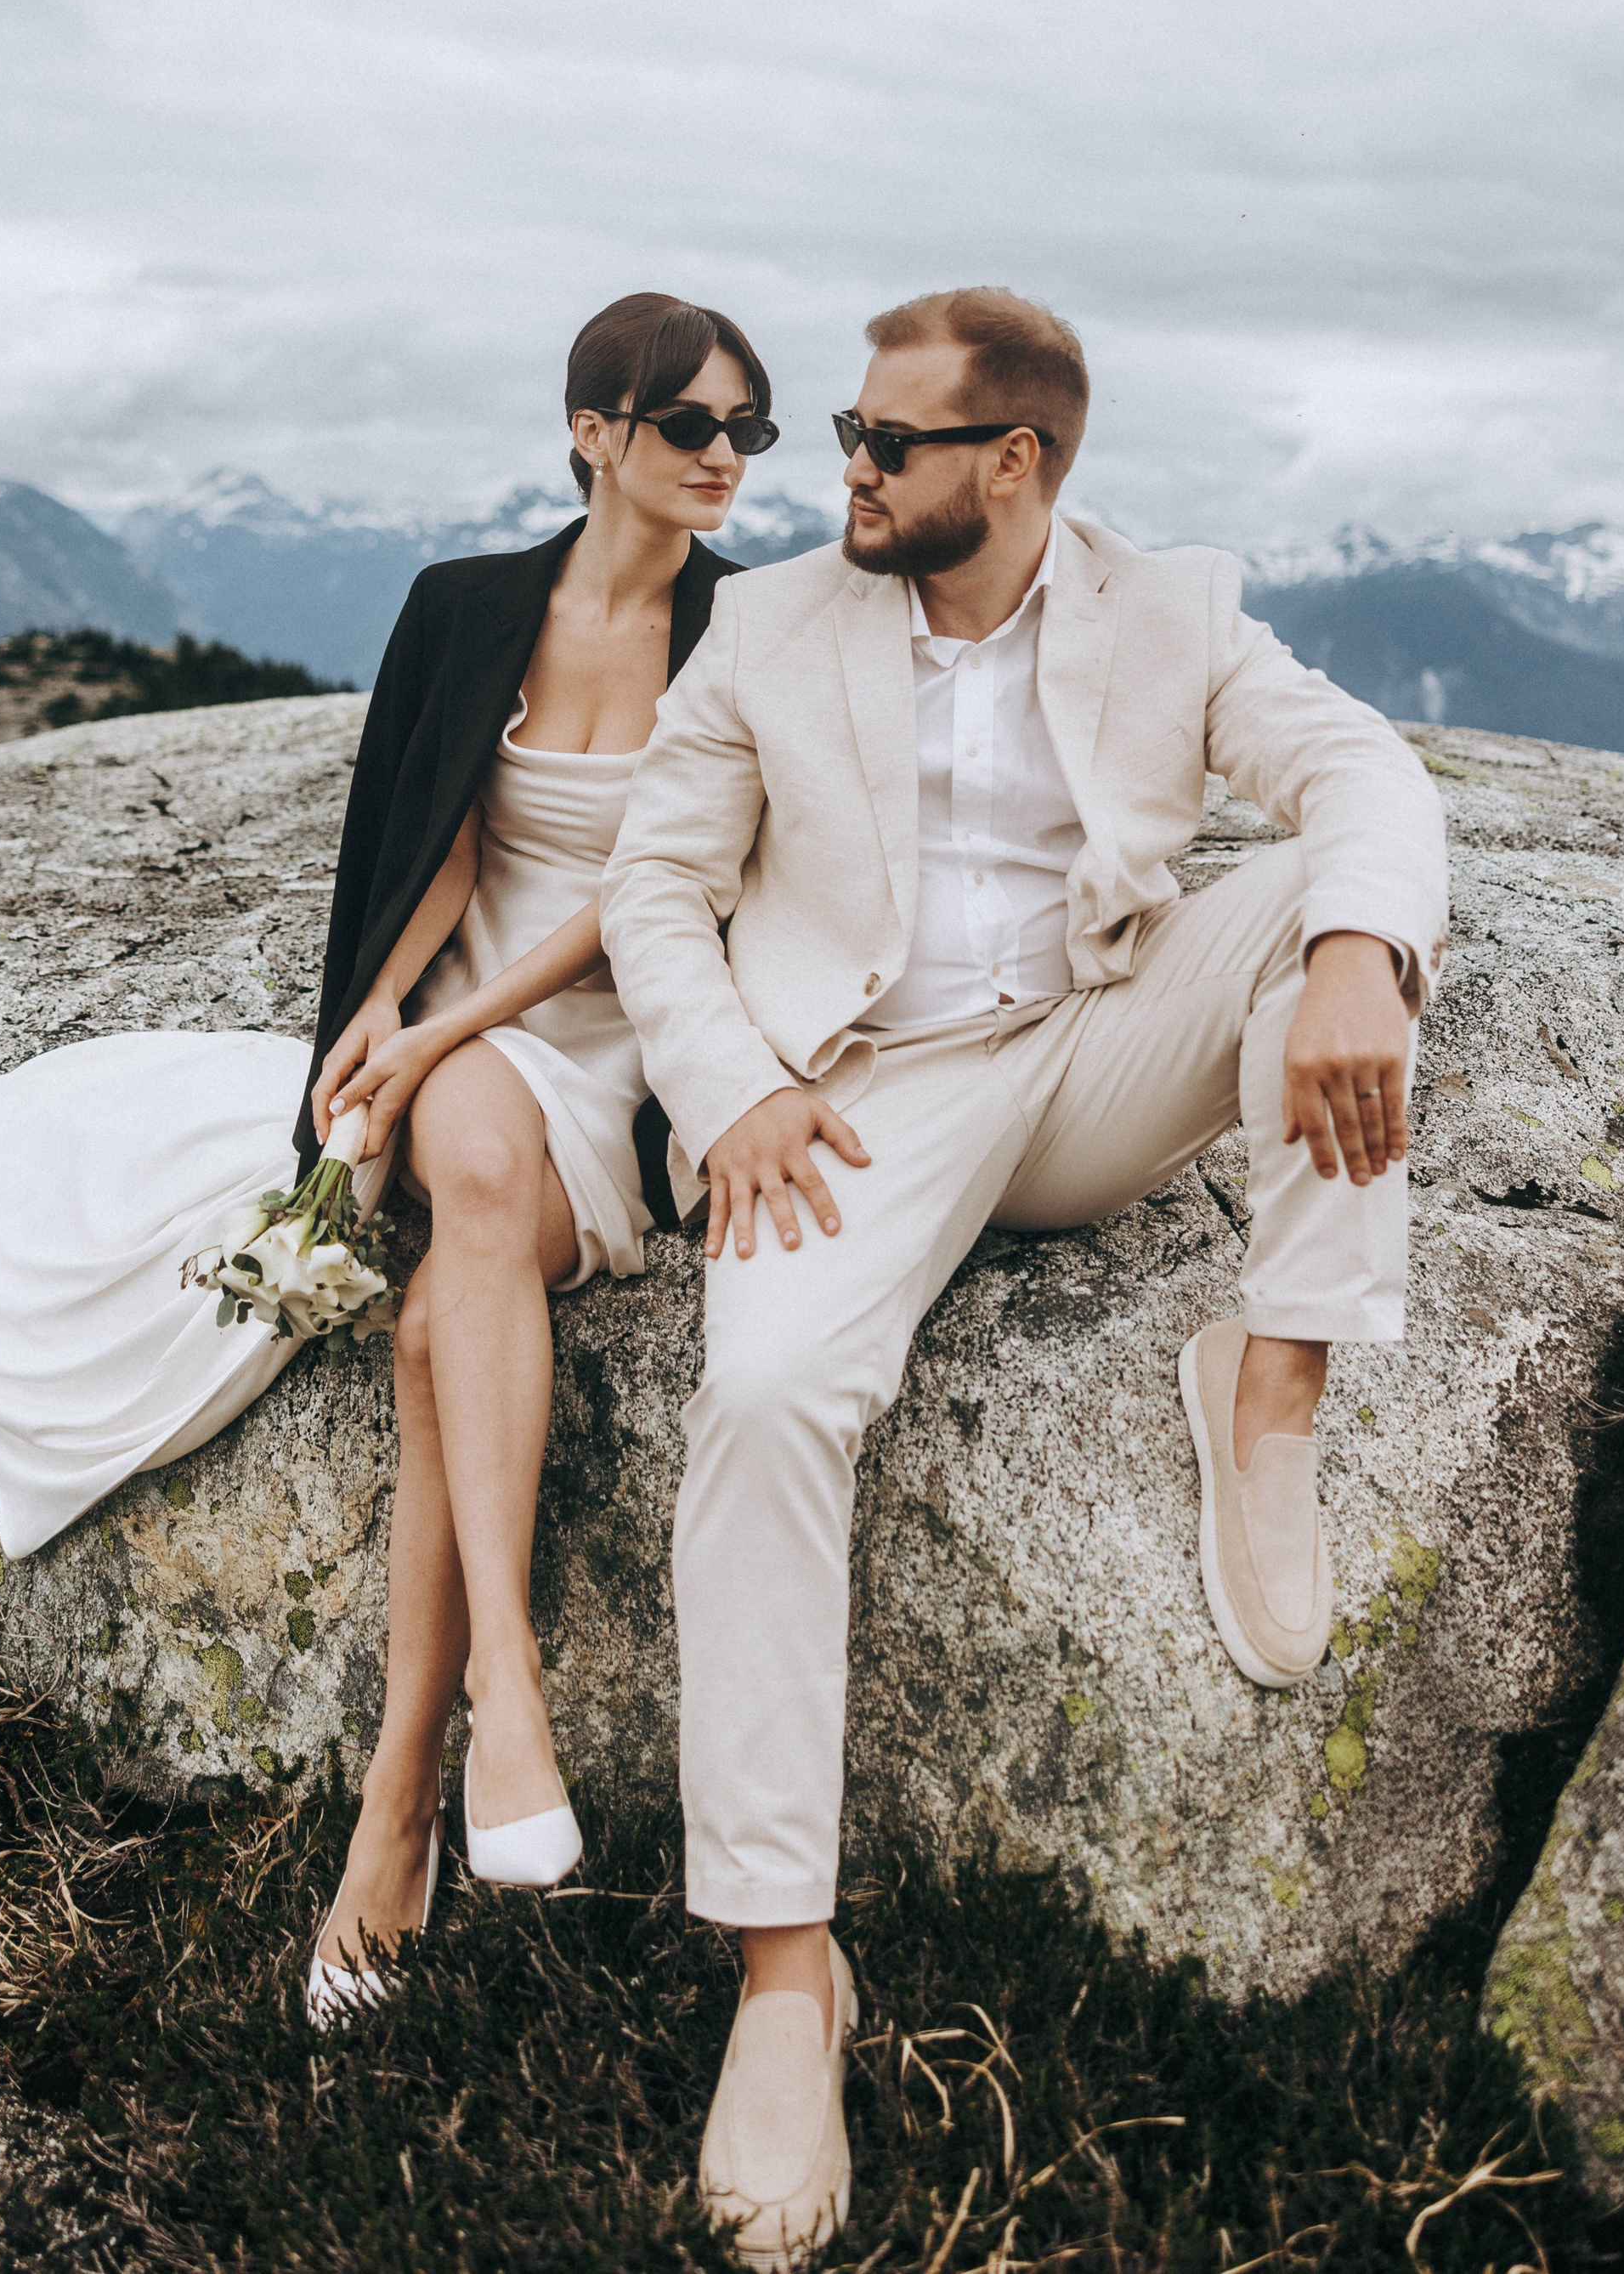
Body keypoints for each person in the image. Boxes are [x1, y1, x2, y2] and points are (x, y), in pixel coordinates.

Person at [599, 286, 1450, 2266]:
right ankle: (785, 1975)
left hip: (1085, 1045)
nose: (842, 470)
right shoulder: (773, 619)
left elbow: (1364, 776)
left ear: (1015, 462)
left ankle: (1272, 1382)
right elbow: (653, 877)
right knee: (763, 1398)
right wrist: (725, 1085)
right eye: (844, 433)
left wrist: (1346, 952)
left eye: (884, 443)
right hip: (861, 1090)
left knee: (1354, 929)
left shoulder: (1172, 605)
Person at [291, 291, 778, 2016]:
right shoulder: (463, 604)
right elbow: (440, 823)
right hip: (470, 1033)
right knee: (477, 1169)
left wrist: (435, 1030)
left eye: (746, 429)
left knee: (445, 1310)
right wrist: (392, 1009)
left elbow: (653, 896)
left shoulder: (750, 629)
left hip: (627, 1027)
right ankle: (502, 1684)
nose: (724, 457)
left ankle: (403, 1780)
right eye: (689, 425)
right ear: (593, 431)